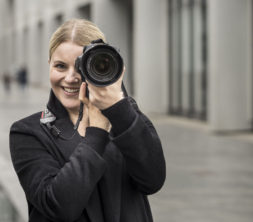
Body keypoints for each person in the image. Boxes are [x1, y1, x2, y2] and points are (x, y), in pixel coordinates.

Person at [9, 18, 166, 222]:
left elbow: (153, 180)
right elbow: (58, 207)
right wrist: (97, 132)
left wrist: (119, 109)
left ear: (106, 67)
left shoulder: (127, 118)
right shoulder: (28, 132)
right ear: (49, 65)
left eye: (81, 67)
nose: (71, 78)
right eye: (60, 66)